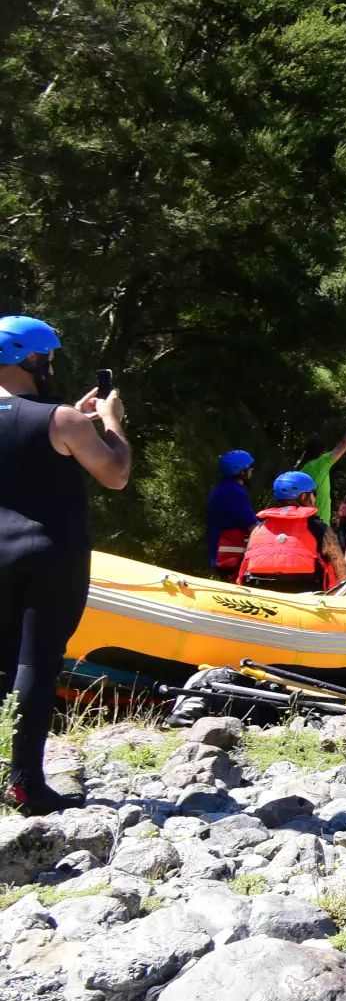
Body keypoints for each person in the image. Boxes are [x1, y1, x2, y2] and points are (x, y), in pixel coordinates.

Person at [0, 316, 129, 814]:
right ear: (33, 360)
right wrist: (112, 422)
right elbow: (114, 474)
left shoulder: (61, 419)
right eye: (48, 358)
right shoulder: (64, 421)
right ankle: (26, 784)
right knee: (35, 662)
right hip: (48, 554)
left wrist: (67, 419)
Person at [236, 472, 346, 593]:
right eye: (313, 494)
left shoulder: (258, 530)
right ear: (304, 496)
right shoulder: (322, 530)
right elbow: (342, 575)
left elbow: (244, 568)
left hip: (262, 597)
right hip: (307, 597)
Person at [295, 396, 346, 520]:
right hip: (319, 527)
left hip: (306, 524)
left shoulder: (303, 471)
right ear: (322, 453)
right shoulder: (320, 464)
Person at [203, 451, 259, 578]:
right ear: (241, 471)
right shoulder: (233, 492)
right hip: (230, 556)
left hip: (221, 553)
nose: (251, 470)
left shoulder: (224, 488)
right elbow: (252, 525)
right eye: (249, 467)